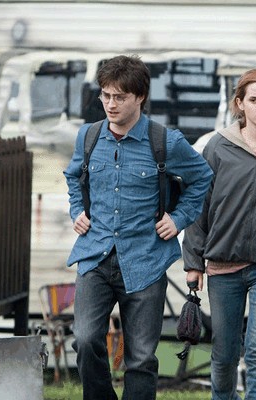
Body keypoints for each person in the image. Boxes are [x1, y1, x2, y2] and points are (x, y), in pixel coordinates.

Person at [63, 54, 213, 400]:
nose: (110, 104)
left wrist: (178, 219)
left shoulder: (166, 141)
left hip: (145, 260)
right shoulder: (88, 136)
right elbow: (73, 177)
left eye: (120, 97)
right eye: (105, 95)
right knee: (85, 339)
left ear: (140, 97)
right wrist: (77, 210)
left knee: (142, 357)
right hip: (95, 256)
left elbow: (202, 177)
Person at [182, 68, 256, 400]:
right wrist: (193, 262)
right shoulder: (218, 146)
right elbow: (200, 203)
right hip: (223, 265)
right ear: (240, 103)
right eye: (254, 100)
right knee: (224, 352)